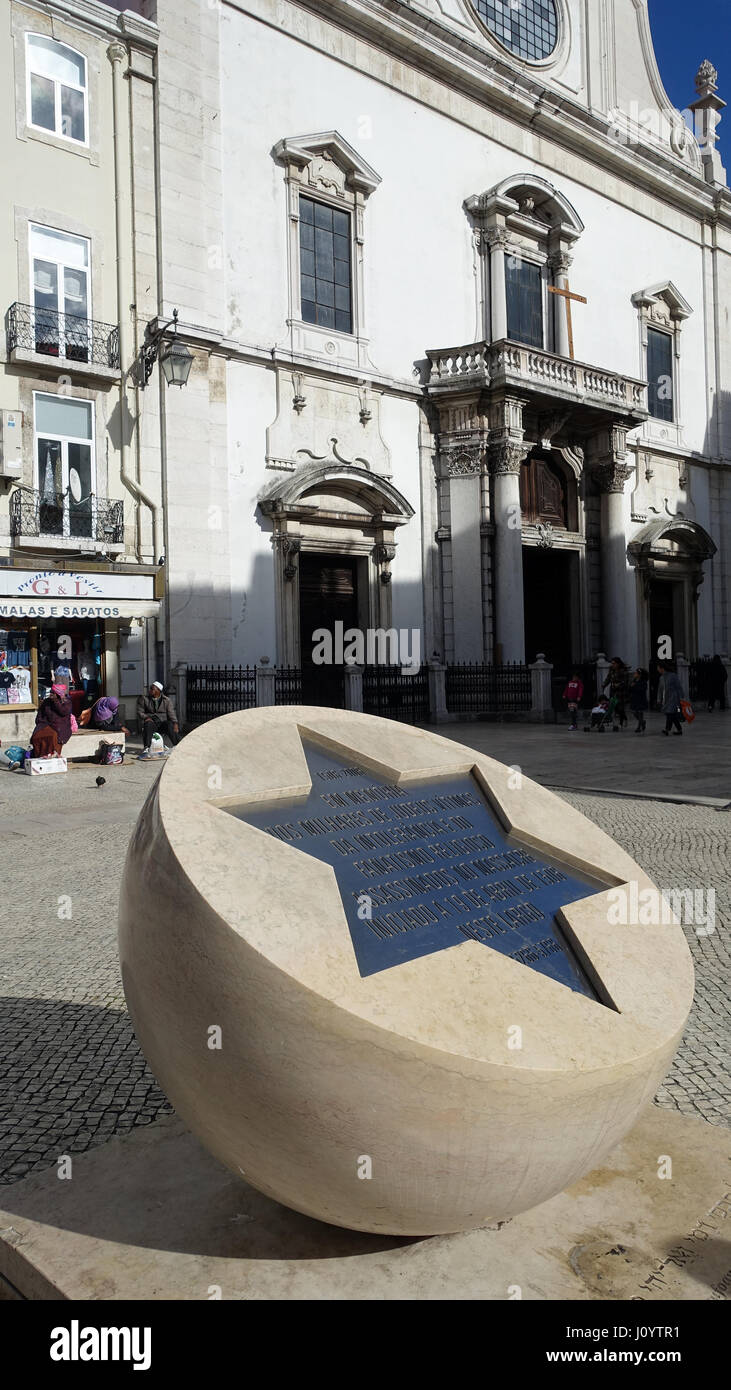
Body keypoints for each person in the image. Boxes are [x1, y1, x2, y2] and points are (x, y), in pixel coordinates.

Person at [136, 680, 180, 755]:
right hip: (152, 722)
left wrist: (175, 723)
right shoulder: (144, 699)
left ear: (158, 690)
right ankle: (147, 747)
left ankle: (178, 745)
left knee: (170, 725)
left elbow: (171, 713)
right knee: (148, 724)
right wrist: (146, 717)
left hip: (162, 722)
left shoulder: (166, 700)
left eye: (152, 689)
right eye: (150, 688)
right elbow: (140, 712)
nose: (150, 690)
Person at [30, 683, 72, 758]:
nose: (51, 694)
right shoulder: (46, 702)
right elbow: (40, 714)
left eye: (53, 693)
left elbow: (63, 712)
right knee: (36, 736)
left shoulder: (66, 702)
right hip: (45, 724)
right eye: (51, 692)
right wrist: (40, 722)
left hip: (60, 726)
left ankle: (51, 754)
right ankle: (40, 755)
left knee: (52, 736)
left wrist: (56, 701)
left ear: (58, 694)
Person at [657, 662, 684, 736]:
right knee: (672, 715)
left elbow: (678, 686)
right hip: (666, 699)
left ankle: (667, 729)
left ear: (662, 668)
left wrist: (681, 696)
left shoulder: (673, 676)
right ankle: (679, 729)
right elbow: (660, 689)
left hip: (674, 698)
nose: (658, 669)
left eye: (658, 668)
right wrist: (659, 700)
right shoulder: (661, 678)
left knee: (669, 713)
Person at [602, 657, 630, 731]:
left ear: (618, 664)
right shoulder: (611, 671)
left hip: (621, 692)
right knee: (615, 706)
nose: (612, 665)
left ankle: (622, 721)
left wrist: (619, 684)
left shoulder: (623, 671)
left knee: (620, 707)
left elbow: (625, 682)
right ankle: (620, 720)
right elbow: (608, 678)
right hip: (613, 691)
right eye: (612, 663)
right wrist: (604, 684)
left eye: (614, 663)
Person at [629, 668, 649, 734]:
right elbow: (630, 688)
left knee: (640, 713)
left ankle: (639, 726)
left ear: (639, 675)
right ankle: (642, 722)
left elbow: (642, 689)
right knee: (634, 712)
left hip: (641, 699)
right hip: (634, 698)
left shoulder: (643, 681)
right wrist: (632, 686)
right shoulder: (634, 680)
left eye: (636, 673)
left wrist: (634, 686)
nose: (635, 674)